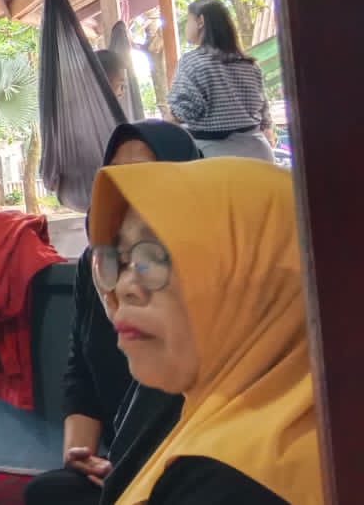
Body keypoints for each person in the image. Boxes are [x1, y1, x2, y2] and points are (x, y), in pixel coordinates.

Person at [87, 158, 318, 504]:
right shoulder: (255, 425)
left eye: (160, 256)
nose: (124, 287)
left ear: (260, 278)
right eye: (121, 261)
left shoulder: (233, 482)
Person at [23, 121, 198, 505]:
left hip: (191, 463)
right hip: (119, 462)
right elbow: (81, 373)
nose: (128, 187)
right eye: (116, 175)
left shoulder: (202, 261)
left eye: (148, 173)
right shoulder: (98, 263)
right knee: (49, 494)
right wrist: (80, 456)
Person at [167, 0, 274, 160]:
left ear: (200, 21)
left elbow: (184, 111)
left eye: (188, 20)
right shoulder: (249, 64)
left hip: (217, 157)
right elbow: (264, 114)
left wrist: (167, 119)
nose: (186, 27)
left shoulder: (192, 61)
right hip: (259, 153)